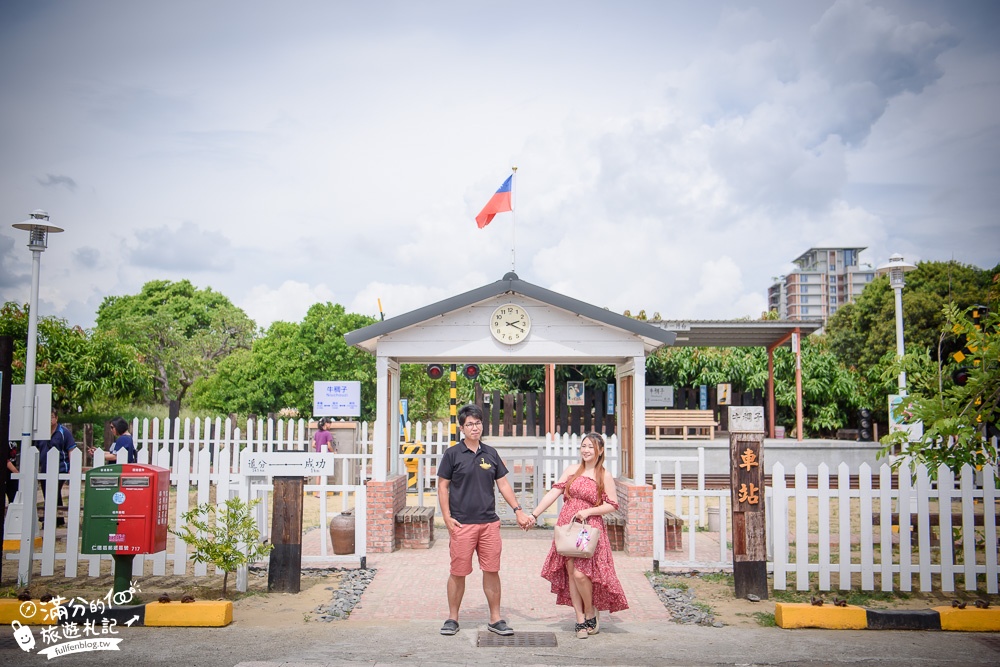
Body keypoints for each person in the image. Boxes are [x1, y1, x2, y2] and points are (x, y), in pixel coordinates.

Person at [437, 404, 532, 637]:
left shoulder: (491, 453)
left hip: (489, 523)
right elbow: (442, 486)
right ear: (462, 428)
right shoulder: (452, 454)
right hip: (462, 524)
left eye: (478, 423)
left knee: (492, 570)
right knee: (458, 572)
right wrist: (447, 518)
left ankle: (495, 618)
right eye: (469, 424)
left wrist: (518, 510)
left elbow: (503, 484)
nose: (474, 427)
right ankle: (452, 618)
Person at [526, 432, 628, 639]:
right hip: (568, 526)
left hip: (588, 527)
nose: (586, 450)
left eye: (590, 446)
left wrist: (589, 511)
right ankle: (580, 618)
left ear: (599, 451)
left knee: (582, 573)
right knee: (571, 571)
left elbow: (612, 504)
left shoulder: (604, 475)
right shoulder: (572, 470)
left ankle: (590, 610)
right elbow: (554, 493)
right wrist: (534, 514)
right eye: (583, 446)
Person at [37, 410, 78, 526]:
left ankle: (49, 519)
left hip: (60, 468)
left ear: (56, 418)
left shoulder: (64, 432)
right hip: (45, 469)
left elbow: (71, 449)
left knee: (52, 490)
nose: (49, 420)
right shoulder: (40, 433)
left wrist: (72, 467)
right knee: (49, 492)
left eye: (51, 417)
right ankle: (58, 518)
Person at [312, 418, 336, 496]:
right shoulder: (327, 433)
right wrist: (333, 452)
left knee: (318, 475)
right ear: (326, 424)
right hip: (325, 456)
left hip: (318, 454)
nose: (330, 425)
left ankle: (317, 492)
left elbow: (313, 445)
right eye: (329, 424)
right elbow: (329, 446)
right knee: (324, 474)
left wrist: (319, 447)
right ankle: (322, 492)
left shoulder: (316, 433)